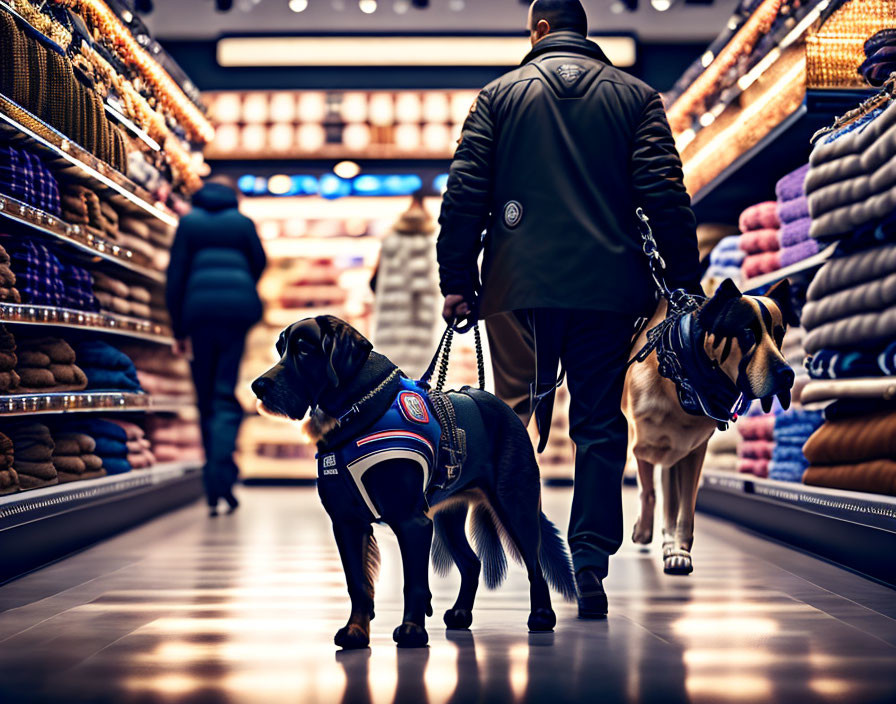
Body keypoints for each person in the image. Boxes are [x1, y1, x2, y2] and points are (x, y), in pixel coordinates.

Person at [436, 0, 702, 618]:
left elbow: (464, 195)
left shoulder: (496, 98)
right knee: (600, 427)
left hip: (513, 290)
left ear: (539, 30)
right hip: (609, 291)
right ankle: (587, 564)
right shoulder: (637, 98)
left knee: (511, 422)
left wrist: (457, 280)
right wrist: (684, 282)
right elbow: (666, 195)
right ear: (585, 32)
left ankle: (522, 557)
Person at [166, 176, 266, 517]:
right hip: (236, 314)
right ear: (232, 196)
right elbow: (259, 263)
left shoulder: (189, 223)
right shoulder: (242, 223)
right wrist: (242, 289)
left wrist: (179, 329)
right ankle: (223, 475)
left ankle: (213, 480)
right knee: (225, 392)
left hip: (199, 316)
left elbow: (175, 276)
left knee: (205, 396)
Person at [371, 191, 441, 379]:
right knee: (419, 379)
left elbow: (373, 283)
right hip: (422, 326)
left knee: (388, 377)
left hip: (389, 327)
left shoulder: (390, 240)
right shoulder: (433, 240)